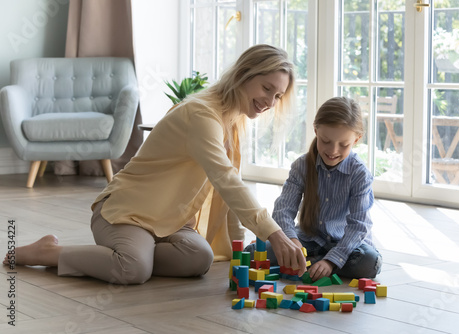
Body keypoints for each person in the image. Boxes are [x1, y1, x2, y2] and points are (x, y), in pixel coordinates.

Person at [4, 44, 307, 284]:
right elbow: (227, 180)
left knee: (199, 258)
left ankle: (136, 253)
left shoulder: (234, 118)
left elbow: (225, 190)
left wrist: (238, 247)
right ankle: (51, 253)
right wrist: (275, 234)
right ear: (244, 74)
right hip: (126, 213)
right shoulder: (202, 115)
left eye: (278, 96)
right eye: (266, 88)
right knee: (131, 270)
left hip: (168, 221)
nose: (270, 101)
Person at [245, 97, 382, 281]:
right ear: (316, 131)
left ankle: (318, 263)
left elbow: (359, 226)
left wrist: (331, 261)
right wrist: (291, 243)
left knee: (369, 262)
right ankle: (309, 260)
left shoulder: (359, 174)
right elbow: (283, 211)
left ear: (356, 140)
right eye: (326, 141)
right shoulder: (301, 166)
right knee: (251, 254)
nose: (333, 150)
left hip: (345, 245)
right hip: (307, 241)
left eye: (343, 145)